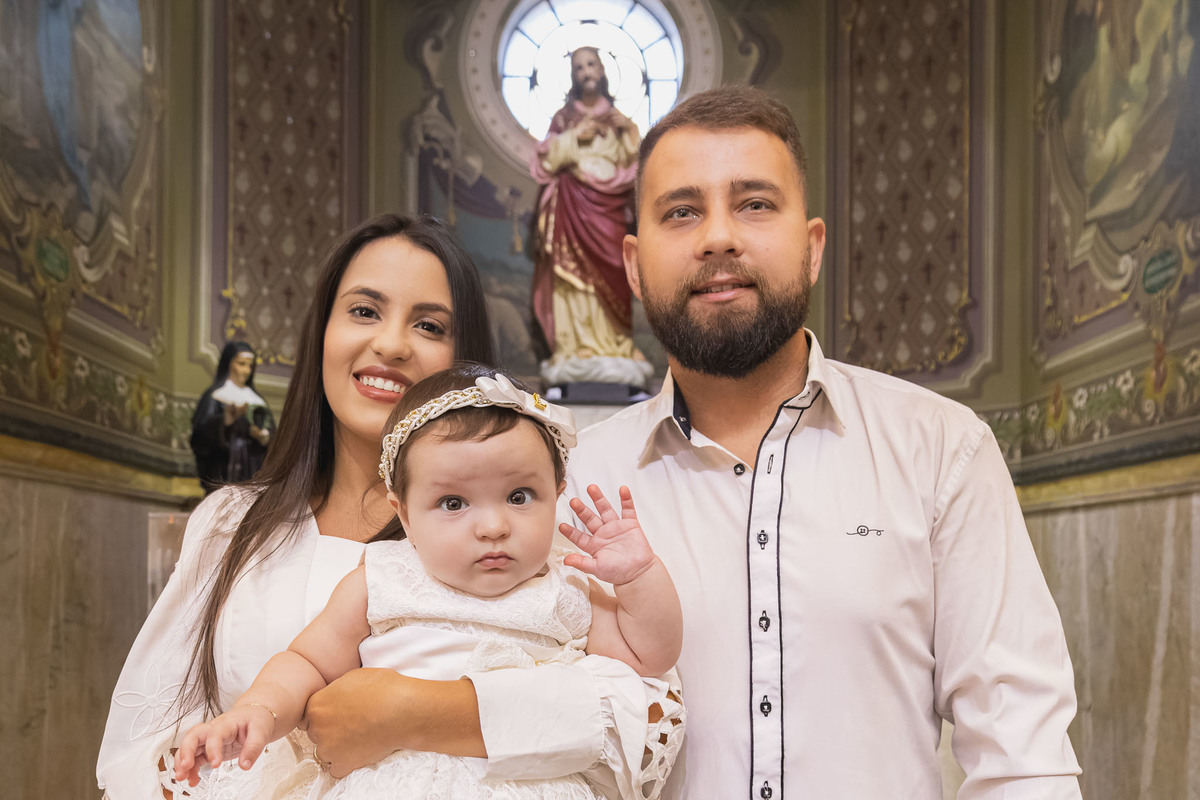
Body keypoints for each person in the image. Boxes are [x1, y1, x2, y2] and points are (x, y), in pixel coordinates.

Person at [560, 86, 1084, 798]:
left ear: (811, 250)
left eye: (754, 204)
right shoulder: (574, 480)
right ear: (631, 265)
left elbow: (1022, 754)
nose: (718, 236)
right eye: (682, 212)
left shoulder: (939, 450)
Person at [97, 212, 497, 798]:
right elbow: (150, 736)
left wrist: (418, 712)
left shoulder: (504, 535)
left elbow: (599, 714)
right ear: (323, 332)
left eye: (429, 326)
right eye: (365, 311)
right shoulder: (231, 524)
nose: (390, 344)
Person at [171, 364, 684, 799]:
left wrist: (639, 577)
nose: (493, 526)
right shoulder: (383, 578)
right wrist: (259, 710)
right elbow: (306, 662)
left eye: (520, 496)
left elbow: (648, 655)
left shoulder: (566, 587)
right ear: (405, 516)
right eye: (453, 503)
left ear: (557, 492)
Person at [530, 46, 652, 389]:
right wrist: (574, 138)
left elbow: (639, 168)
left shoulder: (618, 121)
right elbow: (546, 160)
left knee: (613, 273)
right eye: (579, 67)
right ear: (573, 76)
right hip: (572, 205)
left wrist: (630, 134)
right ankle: (572, 348)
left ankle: (615, 344)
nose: (586, 71)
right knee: (570, 278)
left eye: (591, 64)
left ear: (602, 70)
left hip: (609, 211)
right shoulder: (563, 118)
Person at [190, 341, 276, 494]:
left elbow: (271, 433)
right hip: (224, 468)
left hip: (253, 465)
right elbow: (200, 436)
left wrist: (263, 437)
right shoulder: (215, 396)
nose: (246, 371)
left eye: (250, 366)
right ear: (228, 364)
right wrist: (225, 422)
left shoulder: (257, 400)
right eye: (241, 364)